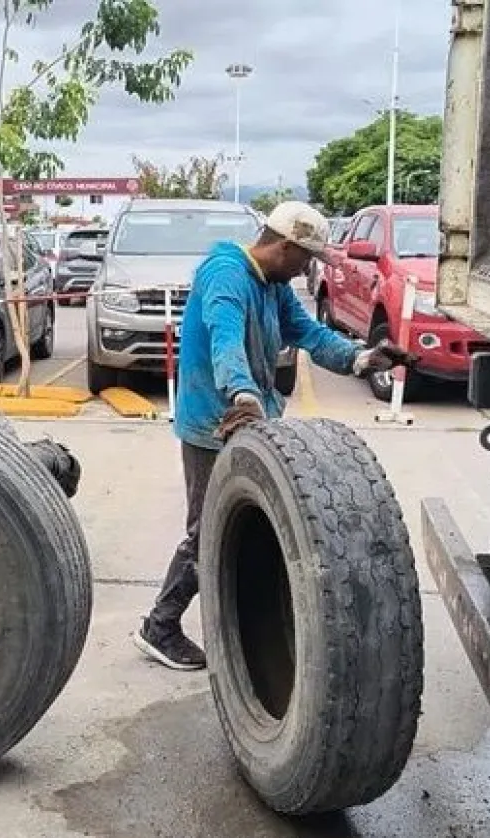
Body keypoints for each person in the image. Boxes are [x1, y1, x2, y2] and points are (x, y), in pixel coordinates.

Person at [131, 200, 418, 671]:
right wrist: (242, 394)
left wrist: (362, 359)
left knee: (250, 524)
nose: (308, 268)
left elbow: (309, 334)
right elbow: (225, 338)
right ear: (284, 246)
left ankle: (250, 621)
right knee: (206, 533)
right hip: (214, 423)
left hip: (252, 420)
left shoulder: (273, 285)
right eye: (306, 258)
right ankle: (159, 627)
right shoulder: (225, 275)